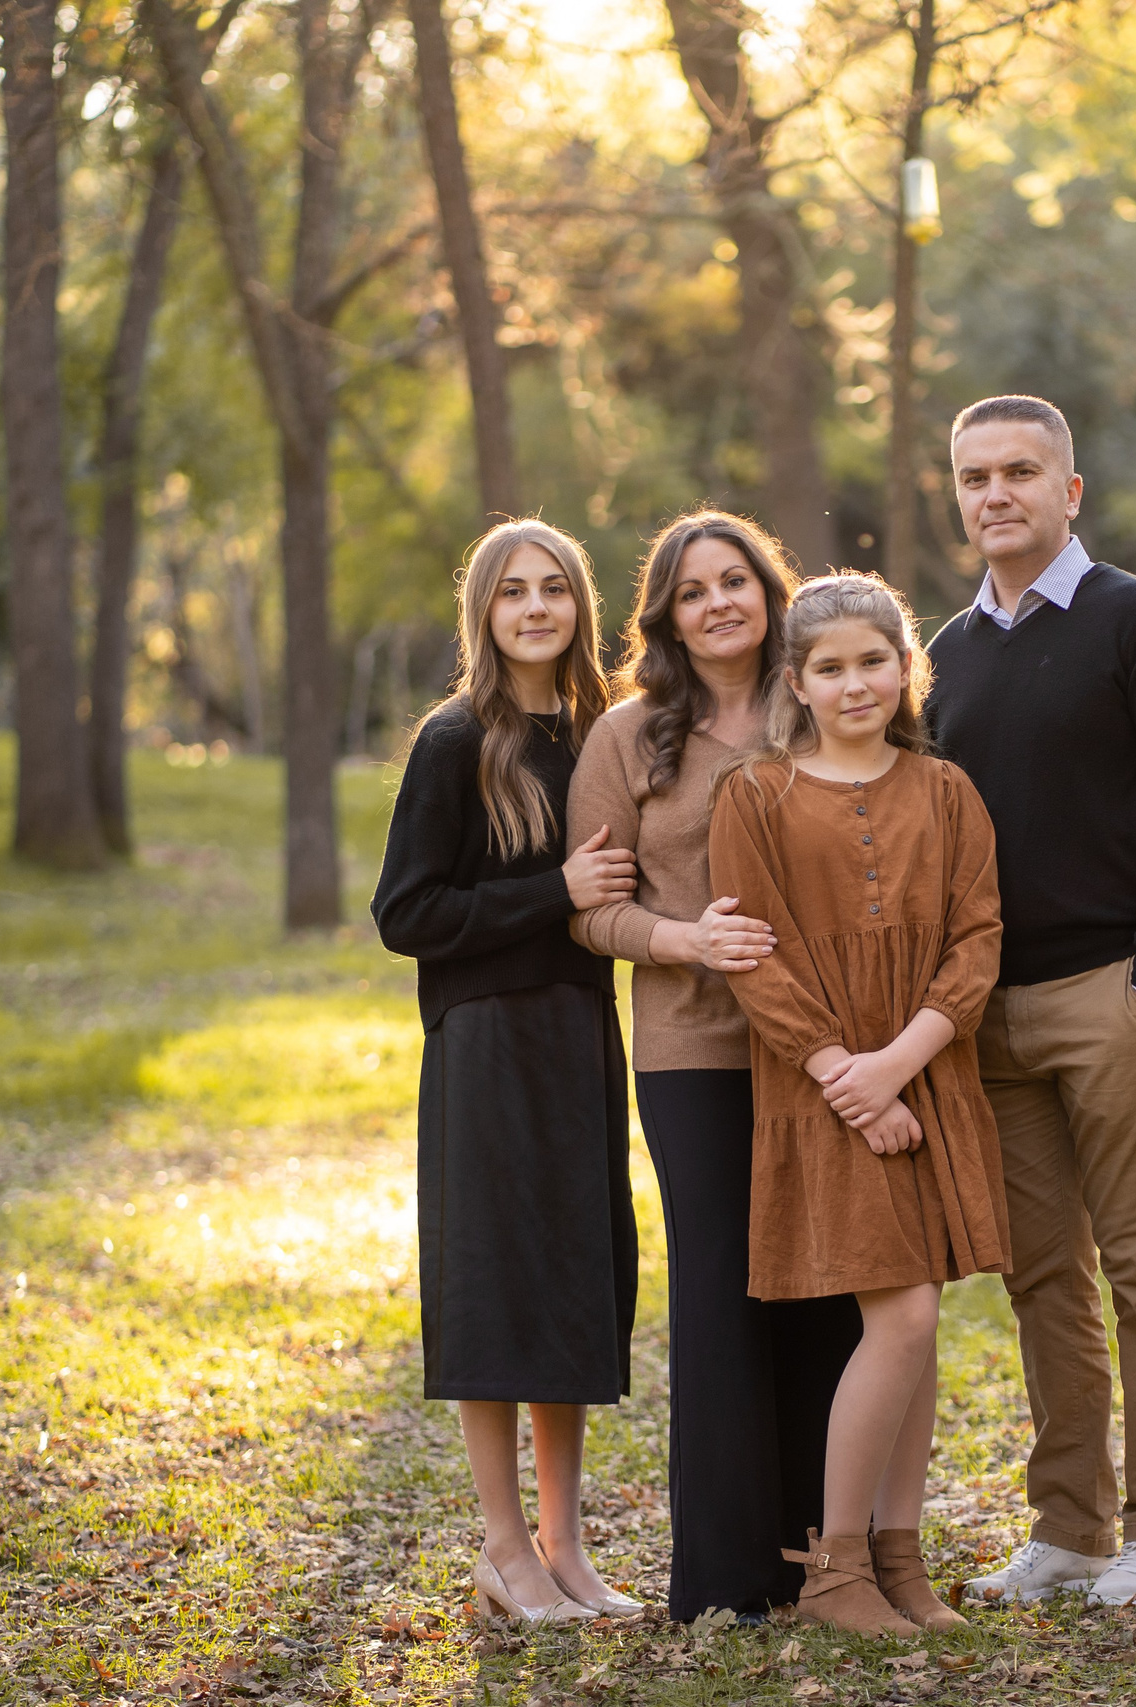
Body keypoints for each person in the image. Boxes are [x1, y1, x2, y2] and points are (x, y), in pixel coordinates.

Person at [924, 395, 1136, 1607]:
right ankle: (1069, 1531)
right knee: (1041, 1274)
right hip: (988, 1011)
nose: (995, 495)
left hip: (1115, 990)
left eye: (1019, 473)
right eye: (973, 478)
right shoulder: (942, 649)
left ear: (1070, 490)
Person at [565, 511, 863, 1623]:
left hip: (829, 1047)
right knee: (723, 1293)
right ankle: (731, 1580)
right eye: (694, 591)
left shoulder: (824, 704)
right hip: (695, 1053)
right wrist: (683, 940)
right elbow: (594, 914)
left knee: (830, 1289)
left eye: (736, 580)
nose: (719, 603)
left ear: (769, 591)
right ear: (666, 616)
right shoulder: (627, 739)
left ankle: (828, 1559)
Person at [709, 572, 1009, 1637]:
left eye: (873, 662)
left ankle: (900, 1560)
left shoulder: (946, 790)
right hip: (818, 1088)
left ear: (906, 666)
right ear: (796, 681)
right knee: (905, 1315)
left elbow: (977, 942)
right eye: (829, 669)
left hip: (927, 1077)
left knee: (917, 1331)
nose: (854, 684)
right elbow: (758, 958)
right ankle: (835, 1569)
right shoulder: (754, 797)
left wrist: (902, 1062)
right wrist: (848, 1075)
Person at [369, 519, 645, 1626]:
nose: (536, 609)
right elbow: (405, 913)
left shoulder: (599, 736)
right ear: (482, 612)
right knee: (495, 1288)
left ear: (580, 606)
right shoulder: (455, 741)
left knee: (572, 1284)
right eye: (512, 593)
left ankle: (566, 1548)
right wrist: (556, 891)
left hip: (580, 1037)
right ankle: (501, 1548)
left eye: (555, 590)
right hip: (484, 1048)